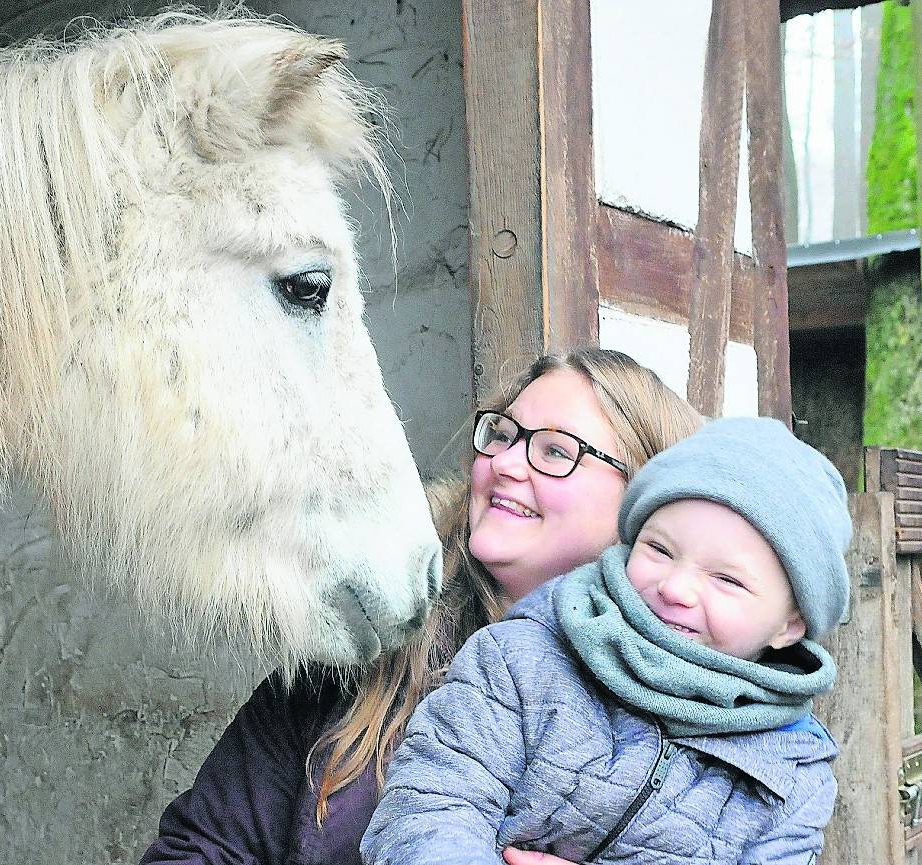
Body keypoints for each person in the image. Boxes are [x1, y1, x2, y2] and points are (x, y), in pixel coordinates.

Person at [139, 348, 703, 865]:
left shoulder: (702, 714)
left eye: (556, 449)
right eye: (503, 435)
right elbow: (202, 847)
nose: (506, 462)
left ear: (644, 500)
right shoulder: (368, 641)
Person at [360, 416, 852, 865]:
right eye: (659, 549)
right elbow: (430, 809)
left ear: (790, 624)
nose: (675, 588)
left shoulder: (794, 773)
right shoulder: (521, 660)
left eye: (727, 579)